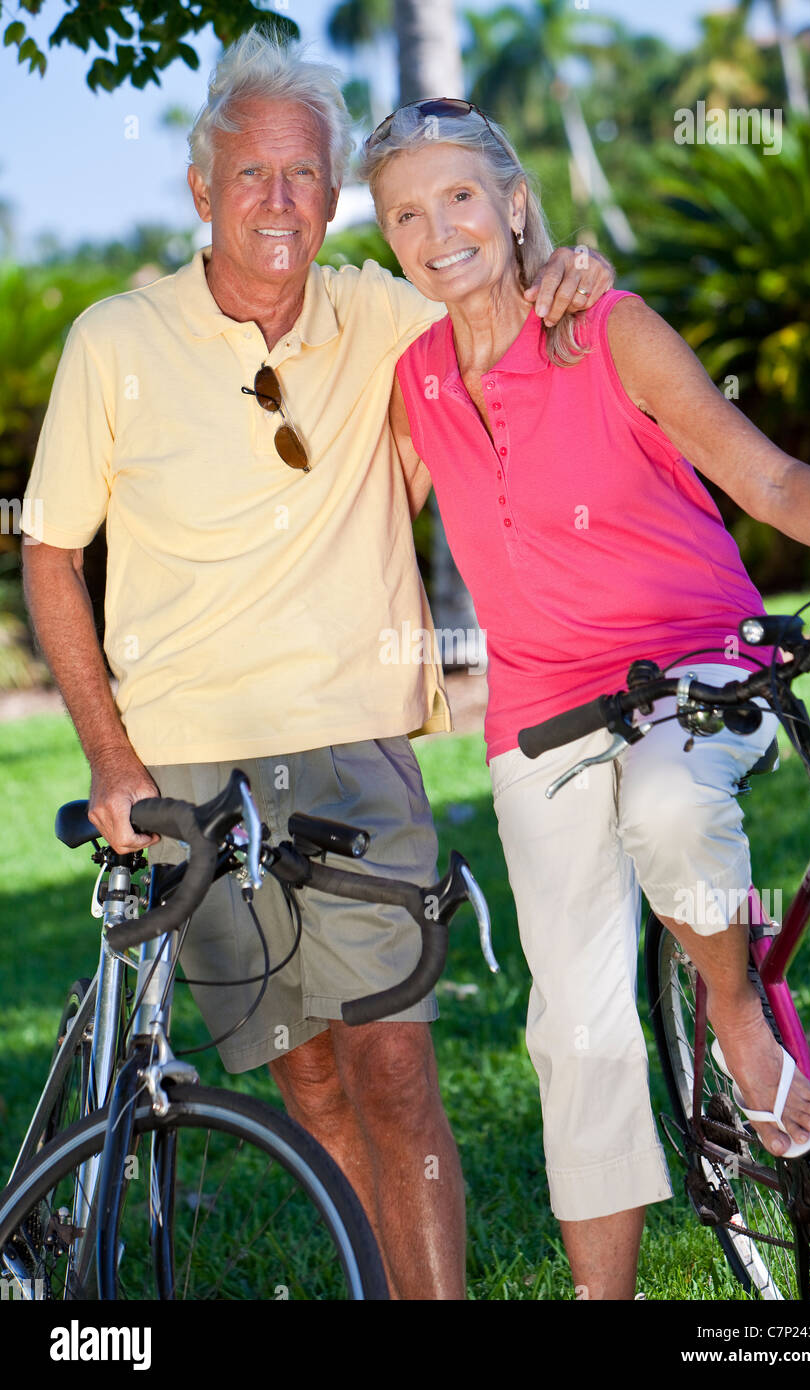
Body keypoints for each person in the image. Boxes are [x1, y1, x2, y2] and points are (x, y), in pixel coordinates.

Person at [19, 32, 613, 1300]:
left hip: (351, 742)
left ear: (331, 190)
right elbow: (52, 552)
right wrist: (110, 755)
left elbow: (497, 296)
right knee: (307, 1077)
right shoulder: (113, 341)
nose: (279, 202)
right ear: (201, 190)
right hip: (185, 757)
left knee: (396, 1067)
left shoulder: (383, 317)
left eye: (305, 176)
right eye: (252, 175)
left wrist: (568, 266)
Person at [359, 100, 810, 1299]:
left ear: (517, 201)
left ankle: (731, 1000)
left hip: (697, 657)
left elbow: (763, 472)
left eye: (462, 198)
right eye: (405, 215)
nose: (438, 232)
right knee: (571, 1029)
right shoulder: (412, 383)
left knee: (671, 806)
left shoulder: (608, 328)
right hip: (538, 713)